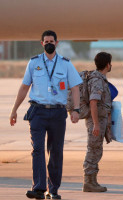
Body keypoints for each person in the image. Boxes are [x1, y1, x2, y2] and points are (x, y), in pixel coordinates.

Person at [9, 30, 82, 199]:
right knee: (37, 150)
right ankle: (39, 188)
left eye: (52, 41)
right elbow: (24, 87)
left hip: (58, 113)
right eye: (46, 41)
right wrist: (14, 110)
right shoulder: (34, 63)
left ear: (57, 43)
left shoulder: (65, 64)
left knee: (56, 152)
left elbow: (75, 87)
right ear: (42, 43)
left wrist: (76, 110)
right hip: (38, 112)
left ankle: (53, 189)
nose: (49, 43)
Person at [82, 52, 113, 192]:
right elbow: (93, 102)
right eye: (110, 63)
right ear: (107, 64)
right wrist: (95, 124)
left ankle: (92, 181)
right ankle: (88, 182)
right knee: (93, 149)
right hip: (96, 121)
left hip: (100, 120)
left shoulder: (99, 78)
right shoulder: (97, 80)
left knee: (96, 149)